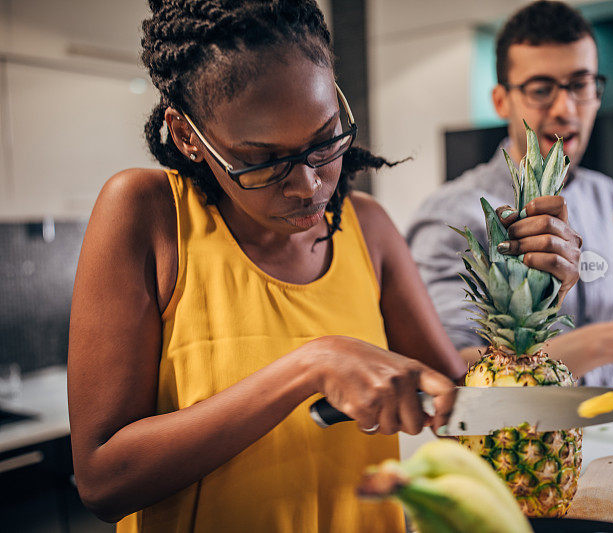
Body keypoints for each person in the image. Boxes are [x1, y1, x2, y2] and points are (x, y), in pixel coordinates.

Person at [66, 2, 581, 532]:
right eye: (263, 161)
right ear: (187, 135)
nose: (309, 185)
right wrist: (308, 366)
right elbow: (103, 481)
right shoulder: (146, 214)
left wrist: (539, 287)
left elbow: (458, 410)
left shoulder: (369, 228)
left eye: (325, 141)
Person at [407, 0, 613, 388]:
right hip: (518, 439)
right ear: (501, 100)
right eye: (541, 89)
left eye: (580, 85)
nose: (566, 108)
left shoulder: (609, 198)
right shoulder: (452, 215)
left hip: (611, 436)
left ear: (597, 94)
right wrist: (607, 342)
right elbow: (449, 368)